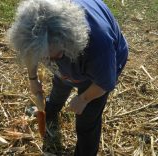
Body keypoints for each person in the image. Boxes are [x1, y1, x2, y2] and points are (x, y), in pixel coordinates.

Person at [7, 0, 128, 155]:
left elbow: (105, 82)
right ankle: (50, 110)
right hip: (70, 56)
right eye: (44, 57)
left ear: (67, 41)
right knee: (61, 83)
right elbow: (31, 51)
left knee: (87, 120)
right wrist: (32, 78)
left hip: (98, 74)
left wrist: (84, 99)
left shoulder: (98, 46)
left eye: (55, 56)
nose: (48, 61)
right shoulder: (37, 28)